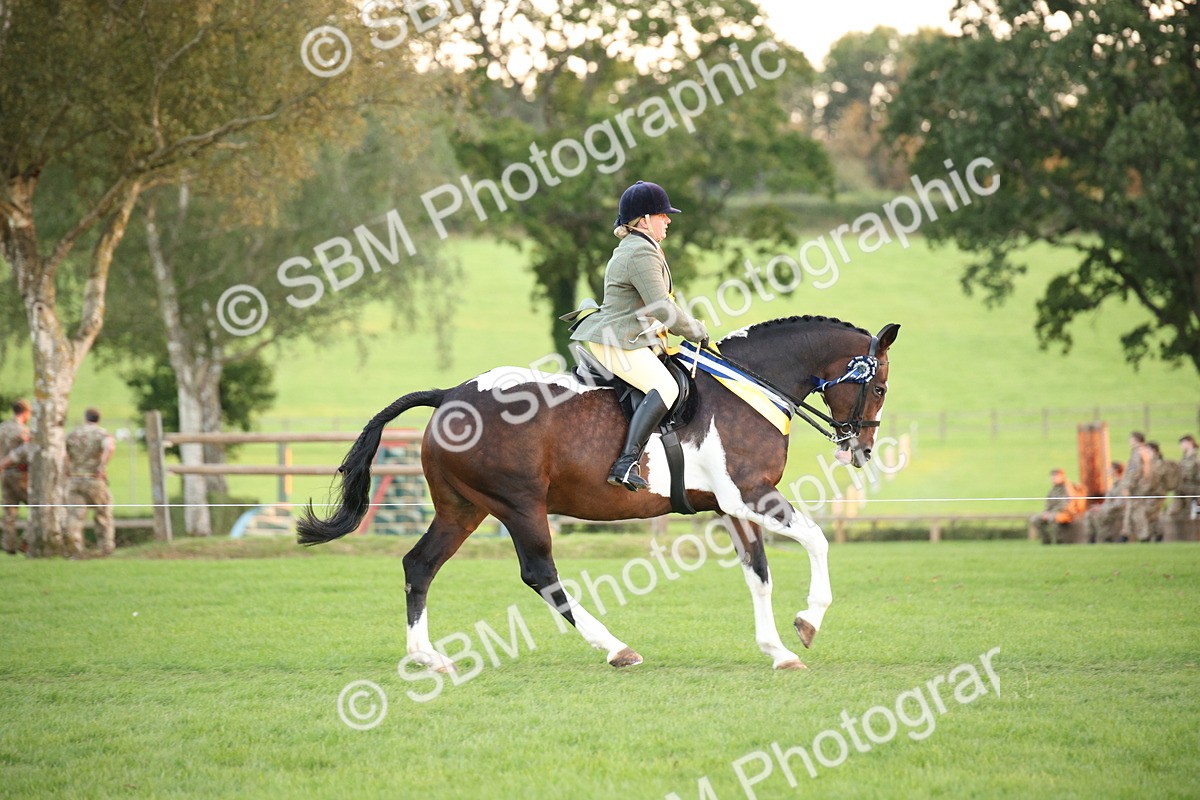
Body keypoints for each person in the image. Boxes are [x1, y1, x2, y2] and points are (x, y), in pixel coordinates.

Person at [568, 180, 709, 491]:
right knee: (666, 387)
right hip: (618, 340)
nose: (668, 219)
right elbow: (662, 307)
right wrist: (695, 330)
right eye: (662, 215)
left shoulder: (642, 247)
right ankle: (626, 462)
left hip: (630, 336)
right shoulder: (641, 253)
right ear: (644, 220)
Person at [64, 408, 116, 556]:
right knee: (103, 512)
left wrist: (68, 468)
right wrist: (102, 466)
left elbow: (63, 453)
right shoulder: (102, 434)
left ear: (85, 418)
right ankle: (106, 548)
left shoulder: (72, 434)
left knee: (75, 515)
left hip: (74, 479)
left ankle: (74, 549)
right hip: (94, 479)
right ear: (98, 419)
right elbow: (110, 447)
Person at [0, 399, 31, 555]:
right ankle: (26, 541)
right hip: (21, 474)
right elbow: (27, 452)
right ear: (25, 412)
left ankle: (9, 546)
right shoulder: (23, 431)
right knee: (37, 507)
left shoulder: (2, 428)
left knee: (9, 513)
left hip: (4, 474)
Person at [1031, 468, 1082, 544]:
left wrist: (1051, 513)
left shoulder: (1068, 488)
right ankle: (1046, 540)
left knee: (1052, 518)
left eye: (1056, 477)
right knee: (1035, 519)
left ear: (1062, 477)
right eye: (1052, 477)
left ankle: (1060, 540)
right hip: (1054, 513)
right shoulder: (1053, 489)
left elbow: (1066, 504)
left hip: (1067, 513)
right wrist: (1046, 512)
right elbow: (1048, 503)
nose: (1053, 479)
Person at [1119, 432, 1154, 541]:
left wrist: (1128, 486)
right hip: (1141, 486)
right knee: (1131, 511)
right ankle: (1126, 534)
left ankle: (1143, 536)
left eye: (1130, 439)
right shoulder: (1144, 451)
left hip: (1136, 488)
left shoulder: (1138, 453)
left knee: (1137, 512)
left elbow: (1134, 471)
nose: (1129, 442)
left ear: (1135, 439)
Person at [1165, 435, 1199, 541]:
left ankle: (1193, 539)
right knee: (1172, 512)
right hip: (1181, 491)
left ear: (1190, 442)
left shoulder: (1196, 458)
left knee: (1193, 516)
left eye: (1183, 443)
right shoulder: (1184, 457)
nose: (1181, 446)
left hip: (1193, 492)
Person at [1085, 461, 1126, 543]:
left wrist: (1102, 508)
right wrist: (1100, 506)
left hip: (1117, 510)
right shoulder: (1114, 485)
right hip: (1109, 508)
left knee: (1098, 515)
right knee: (1089, 513)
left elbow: (1120, 503)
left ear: (1116, 470)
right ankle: (1091, 539)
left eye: (1110, 469)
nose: (1108, 471)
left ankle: (1104, 539)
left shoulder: (1122, 485)